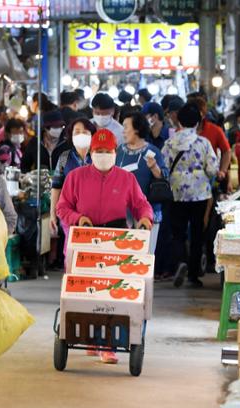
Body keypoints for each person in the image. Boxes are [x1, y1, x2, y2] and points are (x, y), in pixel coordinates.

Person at [57, 128, 153, 364]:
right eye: (98, 151)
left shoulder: (126, 178)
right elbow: (62, 207)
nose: (102, 155)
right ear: (91, 152)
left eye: (106, 151)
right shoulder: (76, 177)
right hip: (84, 240)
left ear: (114, 152)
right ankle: (92, 339)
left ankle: (107, 344)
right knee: (87, 293)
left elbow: (142, 204)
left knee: (112, 294)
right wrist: (77, 218)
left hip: (116, 241)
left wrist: (145, 218)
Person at [162, 103, 218, 289]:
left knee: (177, 233)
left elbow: (163, 168)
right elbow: (212, 170)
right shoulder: (203, 143)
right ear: (198, 122)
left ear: (179, 120)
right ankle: (193, 275)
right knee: (197, 234)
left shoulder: (170, 143)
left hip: (176, 193)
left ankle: (180, 262)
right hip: (199, 194)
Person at [116, 112, 168, 253]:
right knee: (125, 253)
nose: (123, 131)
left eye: (126, 127)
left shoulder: (153, 151)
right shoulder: (119, 150)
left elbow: (164, 177)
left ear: (137, 129)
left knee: (146, 254)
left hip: (148, 209)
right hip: (123, 210)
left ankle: (145, 276)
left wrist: (153, 167)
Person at [51, 117, 97, 235]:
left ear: (92, 135)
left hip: (95, 216)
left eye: (85, 132)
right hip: (69, 215)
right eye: (77, 132)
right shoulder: (64, 157)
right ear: (71, 136)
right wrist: (52, 215)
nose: (81, 135)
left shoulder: (98, 156)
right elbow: (56, 187)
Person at [187, 96, 230, 185]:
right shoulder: (181, 132)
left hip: (209, 179)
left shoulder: (215, 130)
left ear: (203, 114)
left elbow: (226, 151)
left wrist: (222, 171)